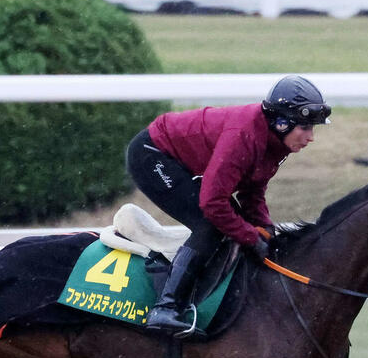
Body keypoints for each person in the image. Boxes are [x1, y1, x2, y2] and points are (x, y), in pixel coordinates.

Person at [126, 74, 331, 334]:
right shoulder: (244, 136)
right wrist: (250, 237)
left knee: (236, 226)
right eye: (306, 127)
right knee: (210, 225)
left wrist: (266, 231)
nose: (311, 137)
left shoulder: (276, 143)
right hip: (152, 154)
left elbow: (253, 190)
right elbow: (212, 204)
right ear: (281, 123)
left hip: (179, 160)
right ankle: (166, 308)